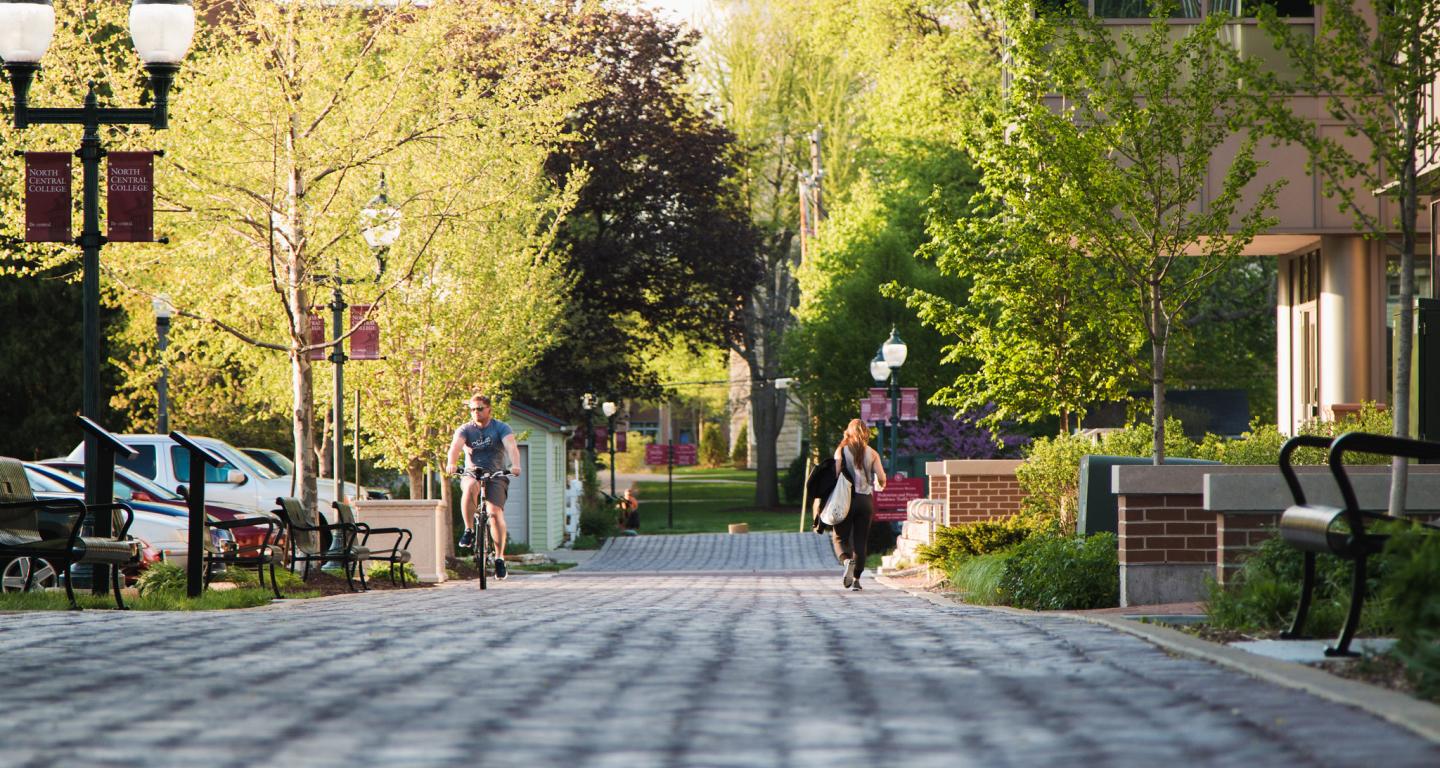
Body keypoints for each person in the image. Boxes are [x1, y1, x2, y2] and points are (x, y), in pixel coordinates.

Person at [445, 394, 521, 579]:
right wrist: (451, 463)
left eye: (479, 408)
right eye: (472, 409)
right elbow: (455, 447)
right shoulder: (465, 429)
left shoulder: (501, 427)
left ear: (489, 410)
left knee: (495, 513)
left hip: (495, 474)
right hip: (473, 473)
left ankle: (500, 559)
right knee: (470, 486)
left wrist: (516, 465)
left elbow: (511, 447)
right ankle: (469, 530)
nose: (475, 412)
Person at [833, 418, 886, 591]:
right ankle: (856, 579)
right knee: (860, 541)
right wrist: (878, 483)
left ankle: (847, 560)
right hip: (865, 501)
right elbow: (882, 478)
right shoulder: (872, 453)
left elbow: (834, 475)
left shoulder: (841, 450)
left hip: (845, 500)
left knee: (840, 537)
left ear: (848, 432)